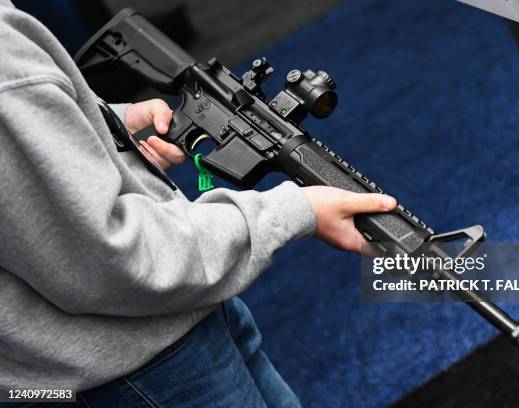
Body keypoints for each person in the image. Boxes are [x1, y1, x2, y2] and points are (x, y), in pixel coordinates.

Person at [0, 1, 397, 406]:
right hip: (131, 371)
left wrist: (111, 128)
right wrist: (295, 211)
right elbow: (112, 257)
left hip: (164, 328)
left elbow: (29, 150)